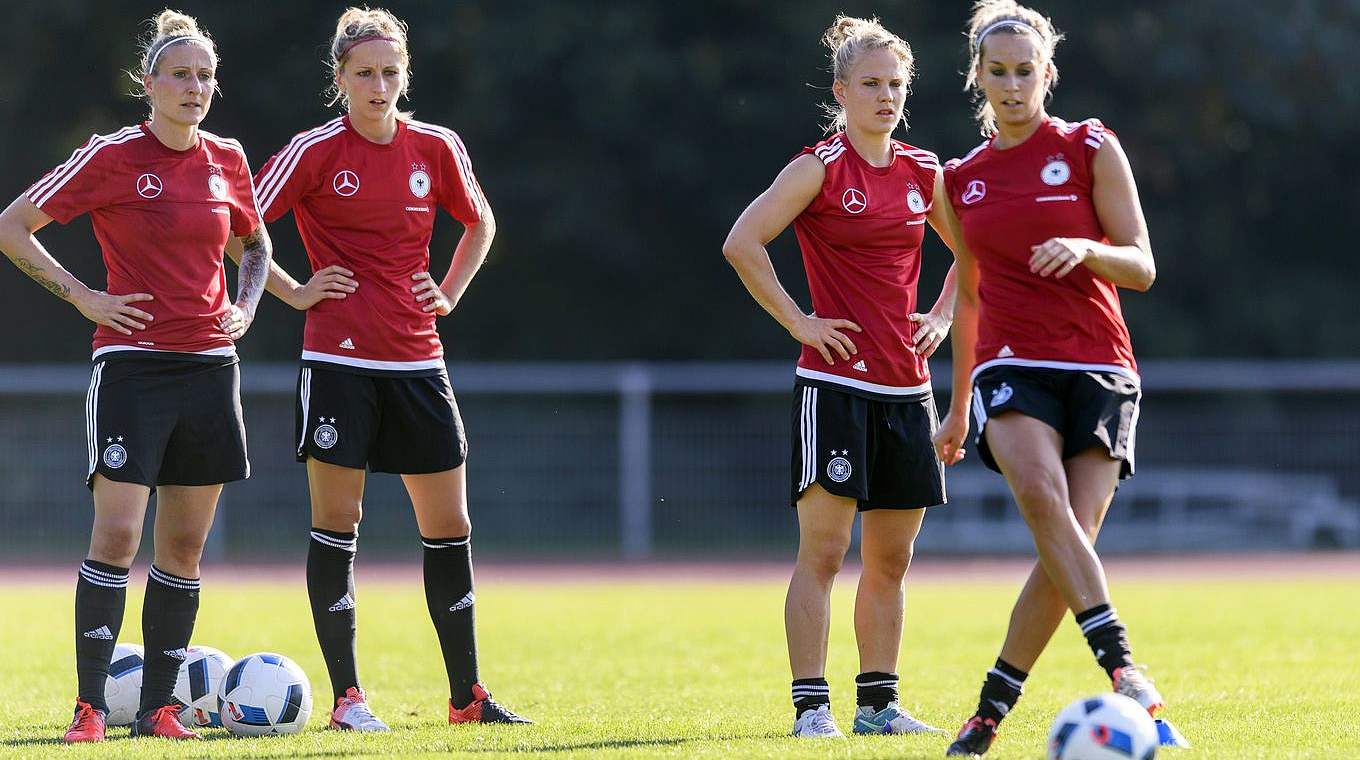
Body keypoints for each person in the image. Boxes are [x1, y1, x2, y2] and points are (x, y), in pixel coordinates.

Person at [246, 6, 529, 731]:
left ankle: (467, 697)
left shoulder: (436, 147)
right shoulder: (314, 150)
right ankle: (349, 699)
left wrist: (451, 291)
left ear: (406, 75)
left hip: (417, 360)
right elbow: (236, 223)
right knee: (340, 522)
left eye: (391, 72)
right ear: (339, 78)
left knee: (450, 523)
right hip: (338, 360)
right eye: (364, 73)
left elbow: (480, 221)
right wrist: (293, 290)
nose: (379, 86)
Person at [0, 10, 271, 743]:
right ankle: (89, 708)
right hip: (132, 369)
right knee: (118, 535)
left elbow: (255, 243)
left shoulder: (228, 158)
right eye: (179, 75)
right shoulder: (111, 155)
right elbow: (12, 225)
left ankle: (157, 709)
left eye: (205, 75)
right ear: (147, 84)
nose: (194, 87)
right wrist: (85, 296)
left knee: (182, 549)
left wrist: (245, 306)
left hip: (212, 370)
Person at [930, 2, 1171, 756]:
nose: (1011, 86)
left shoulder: (1090, 145)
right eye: (997, 72)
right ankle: (1126, 666)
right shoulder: (959, 179)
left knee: (1069, 541)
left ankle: (988, 714)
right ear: (977, 76)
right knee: (1041, 497)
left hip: (1099, 361)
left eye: (1025, 72)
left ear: (1047, 73)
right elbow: (968, 295)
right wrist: (958, 404)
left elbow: (1142, 264)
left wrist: (1085, 247)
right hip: (1012, 362)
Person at [724, 15, 960, 741]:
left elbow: (977, 257)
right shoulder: (820, 167)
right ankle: (811, 708)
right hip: (835, 389)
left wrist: (944, 316)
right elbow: (742, 242)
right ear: (841, 90)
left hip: (907, 391)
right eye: (871, 84)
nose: (885, 96)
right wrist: (801, 322)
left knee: (891, 558)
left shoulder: (925, 172)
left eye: (895, 84)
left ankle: (879, 705)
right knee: (823, 555)